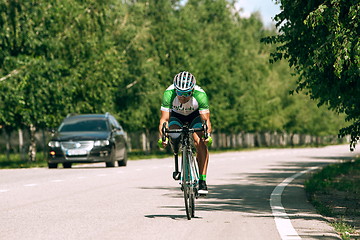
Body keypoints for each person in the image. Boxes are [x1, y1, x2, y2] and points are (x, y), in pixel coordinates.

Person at [158, 71, 212, 195]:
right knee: (173, 135)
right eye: (179, 93)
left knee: (199, 142)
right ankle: (177, 155)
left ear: (192, 91)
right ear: (175, 90)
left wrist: (207, 136)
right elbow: (164, 120)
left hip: (195, 116)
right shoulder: (168, 94)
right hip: (176, 116)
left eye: (186, 93)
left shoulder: (200, 95)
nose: (182, 97)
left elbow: (206, 122)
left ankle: (202, 180)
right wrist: (163, 138)